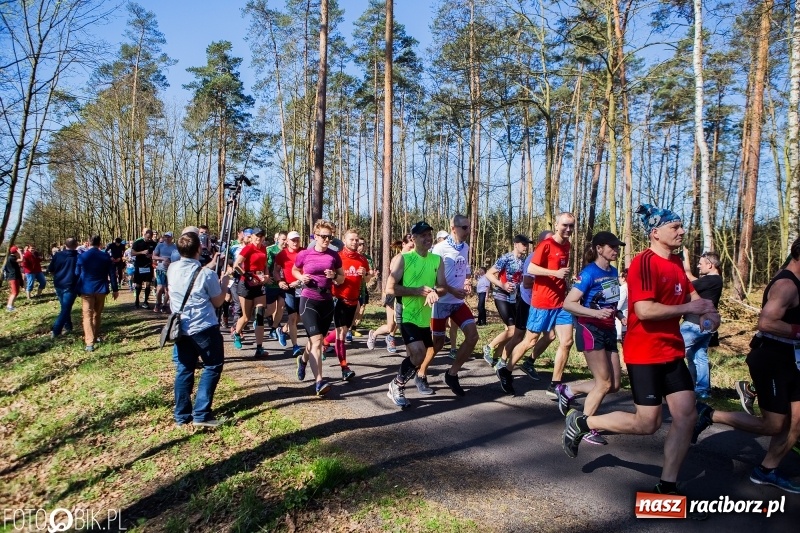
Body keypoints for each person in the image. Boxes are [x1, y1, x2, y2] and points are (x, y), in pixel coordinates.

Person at [561, 204, 718, 498]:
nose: (682, 231)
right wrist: (690, 308)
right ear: (656, 233)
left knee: (686, 417)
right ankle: (583, 421)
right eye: (675, 227)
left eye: (682, 226)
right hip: (645, 353)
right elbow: (643, 310)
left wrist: (708, 317)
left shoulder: (676, 266)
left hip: (671, 352)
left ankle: (667, 486)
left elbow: (697, 304)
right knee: (647, 424)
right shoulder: (643, 263)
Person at [692, 236, 800, 493]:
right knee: (774, 425)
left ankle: (766, 471)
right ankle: (709, 414)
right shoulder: (787, 285)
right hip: (772, 359)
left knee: (797, 423)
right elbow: (767, 323)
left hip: (792, 360)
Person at [556, 232, 626, 446]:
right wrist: (595, 314)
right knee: (603, 383)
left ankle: (569, 390)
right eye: (611, 246)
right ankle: (584, 426)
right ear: (599, 248)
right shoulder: (588, 273)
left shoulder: (613, 272)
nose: (616, 250)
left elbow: (611, 303)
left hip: (608, 331)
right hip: (590, 329)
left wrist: (621, 316)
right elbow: (568, 303)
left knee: (614, 384)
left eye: (617, 246)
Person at [500, 215, 575, 397]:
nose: (568, 229)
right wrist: (555, 273)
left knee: (567, 341)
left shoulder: (567, 245)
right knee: (529, 341)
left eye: (571, 226)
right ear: (557, 225)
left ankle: (555, 384)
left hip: (560, 302)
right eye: (564, 225)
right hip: (542, 302)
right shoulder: (546, 245)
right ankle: (507, 370)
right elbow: (532, 269)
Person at [168, 231, 231, 427]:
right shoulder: (206, 275)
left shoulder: (172, 268)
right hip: (204, 327)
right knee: (212, 365)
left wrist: (212, 264)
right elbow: (218, 301)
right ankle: (201, 414)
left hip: (181, 328)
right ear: (199, 249)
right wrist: (225, 285)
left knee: (185, 368)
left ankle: (181, 415)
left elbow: (194, 274)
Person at [385, 221, 448, 408]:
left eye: (429, 235)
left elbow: (443, 286)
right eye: (423, 235)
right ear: (413, 238)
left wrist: (436, 291)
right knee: (419, 354)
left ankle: (396, 384)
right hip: (407, 314)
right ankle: (397, 386)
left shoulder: (436, 260)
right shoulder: (404, 259)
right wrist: (417, 291)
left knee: (419, 356)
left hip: (424, 317)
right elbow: (390, 288)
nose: (428, 238)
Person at [417, 214, 478, 395]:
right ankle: (421, 374)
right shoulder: (439, 249)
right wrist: (450, 289)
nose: (468, 231)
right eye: (464, 228)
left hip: (458, 302)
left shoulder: (465, 247)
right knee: (438, 343)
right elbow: (433, 278)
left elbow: (464, 268)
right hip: (441, 302)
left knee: (473, 337)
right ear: (454, 228)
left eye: (469, 227)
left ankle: (452, 374)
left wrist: (467, 282)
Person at [293, 220, 345, 396]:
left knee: (314, 341)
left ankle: (303, 360)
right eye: (323, 236)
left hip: (327, 301)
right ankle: (319, 383)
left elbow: (341, 278)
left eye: (329, 237)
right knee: (316, 342)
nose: (326, 240)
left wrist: (334, 276)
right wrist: (301, 277)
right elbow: (294, 270)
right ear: (315, 236)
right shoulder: (305, 254)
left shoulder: (333, 256)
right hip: (309, 300)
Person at [326, 229, 370, 380]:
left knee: (344, 330)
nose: (355, 242)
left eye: (357, 240)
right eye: (351, 239)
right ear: (344, 241)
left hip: (353, 300)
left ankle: (325, 343)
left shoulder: (362, 259)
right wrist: (334, 277)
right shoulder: (337, 258)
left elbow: (368, 280)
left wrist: (366, 275)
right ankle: (344, 368)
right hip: (338, 299)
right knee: (341, 334)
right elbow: (330, 276)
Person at [680, 249, 723, 399]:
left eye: (701, 264)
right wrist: (686, 258)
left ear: (710, 265)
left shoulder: (711, 280)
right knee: (698, 355)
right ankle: (702, 391)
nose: (699, 267)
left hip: (694, 324)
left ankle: (674, 386)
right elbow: (690, 276)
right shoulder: (714, 280)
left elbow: (688, 282)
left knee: (673, 348)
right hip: (705, 325)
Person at [482, 235, 530, 366]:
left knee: (511, 332)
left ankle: (497, 357)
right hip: (501, 295)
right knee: (512, 330)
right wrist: (502, 285)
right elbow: (489, 274)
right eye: (523, 244)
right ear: (516, 244)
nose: (526, 247)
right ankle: (489, 347)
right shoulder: (506, 258)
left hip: (514, 298)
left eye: (527, 244)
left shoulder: (525, 261)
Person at [368, 235, 414, 353]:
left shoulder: (412, 259)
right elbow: (393, 280)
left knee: (402, 321)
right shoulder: (398, 259)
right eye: (411, 246)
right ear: (403, 245)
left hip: (404, 294)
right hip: (392, 294)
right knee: (391, 325)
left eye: (414, 247)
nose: (413, 249)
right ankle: (374, 334)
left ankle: (391, 338)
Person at [75, 235, 119, 352]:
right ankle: (94, 337)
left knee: (87, 316)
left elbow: (76, 274)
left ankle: (89, 343)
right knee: (97, 314)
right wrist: (115, 289)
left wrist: (76, 288)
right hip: (101, 289)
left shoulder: (82, 256)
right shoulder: (105, 256)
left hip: (86, 289)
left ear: (88, 244)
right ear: (100, 244)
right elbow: (112, 274)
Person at [232, 227, 271, 358]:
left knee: (260, 314)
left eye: (261, 235)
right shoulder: (248, 248)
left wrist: (266, 276)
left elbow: (265, 265)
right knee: (246, 317)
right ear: (252, 236)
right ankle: (237, 333)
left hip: (259, 285)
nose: (258, 238)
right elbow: (236, 265)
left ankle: (259, 348)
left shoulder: (264, 248)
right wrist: (249, 276)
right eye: (256, 235)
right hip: (246, 285)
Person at [274, 231, 305, 357]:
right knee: (292, 317)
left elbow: (309, 269)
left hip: (303, 287)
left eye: (297, 239)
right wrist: (279, 281)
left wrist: (300, 280)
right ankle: (295, 346)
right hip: (289, 288)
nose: (295, 242)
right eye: (292, 240)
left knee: (300, 317)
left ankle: (283, 330)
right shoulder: (282, 254)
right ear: (287, 241)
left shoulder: (304, 252)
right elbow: (275, 271)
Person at [48, 238, 80, 337]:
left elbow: (51, 270)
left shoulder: (58, 255)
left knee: (65, 307)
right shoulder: (79, 257)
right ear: (76, 245)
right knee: (65, 309)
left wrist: (57, 276)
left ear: (65, 245)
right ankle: (56, 330)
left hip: (59, 284)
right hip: (70, 286)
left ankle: (68, 327)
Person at [265, 231, 287, 340]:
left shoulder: (289, 251)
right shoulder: (270, 250)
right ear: (278, 239)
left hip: (284, 283)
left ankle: (273, 329)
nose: (285, 242)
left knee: (281, 307)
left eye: (286, 240)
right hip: (272, 284)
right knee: (270, 309)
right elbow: (264, 265)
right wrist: (266, 277)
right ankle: (257, 320)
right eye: (283, 239)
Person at [131, 228, 157, 309]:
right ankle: (137, 301)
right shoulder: (138, 242)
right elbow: (132, 253)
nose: (148, 239)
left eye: (150, 238)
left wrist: (151, 256)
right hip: (139, 266)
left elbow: (156, 254)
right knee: (138, 285)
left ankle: (146, 301)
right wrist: (142, 252)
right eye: (147, 237)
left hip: (148, 266)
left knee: (148, 284)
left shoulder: (154, 243)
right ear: (144, 235)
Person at [153, 232, 178, 313]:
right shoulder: (160, 245)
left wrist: (171, 262)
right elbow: (154, 256)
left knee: (168, 289)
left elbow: (178, 258)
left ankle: (164, 305)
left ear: (172, 238)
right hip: (160, 269)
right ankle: (158, 303)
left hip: (171, 270)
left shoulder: (175, 247)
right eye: (165, 237)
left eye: (168, 237)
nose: (167, 238)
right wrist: (163, 259)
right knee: (160, 288)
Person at [4, 246, 23, 311]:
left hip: (15, 277)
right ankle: (9, 307)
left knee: (16, 292)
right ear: (16, 252)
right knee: (14, 292)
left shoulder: (12, 257)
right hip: (13, 277)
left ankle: (11, 305)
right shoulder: (11, 258)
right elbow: (22, 260)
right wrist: (20, 253)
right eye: (18, 251)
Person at [616, 269, 628, 343]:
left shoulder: (623, 288)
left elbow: (618, 306)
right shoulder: (630, 287)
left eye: (619, 276)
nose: (618, 278)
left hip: (623, 319)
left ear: (624, 278)